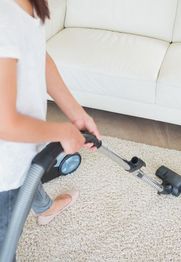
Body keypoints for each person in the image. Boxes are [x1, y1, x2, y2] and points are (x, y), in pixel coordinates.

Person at [0, 0, 101, 254]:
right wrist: (63, 131)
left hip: (20, 151)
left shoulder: (27, 4)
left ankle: (46, 208)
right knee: (5, 242)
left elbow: (38, 55)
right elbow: (5, 124)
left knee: (29, 173)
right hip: (4, 165)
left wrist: (75, 112)